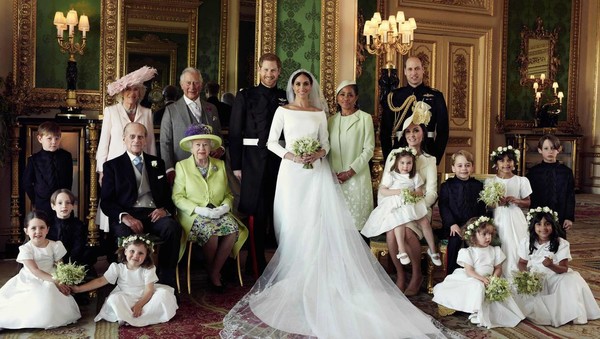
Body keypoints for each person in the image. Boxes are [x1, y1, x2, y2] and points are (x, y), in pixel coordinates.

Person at [221, 69, 447, 338]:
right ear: (292, 86)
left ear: (311, 86)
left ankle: (317, 277)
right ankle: (293, 276)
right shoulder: (283, 111)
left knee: (316, 222)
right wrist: (292, 156)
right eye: (298, 83)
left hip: (316, 172)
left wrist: (317, 153)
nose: (302, 87)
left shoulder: (319, 114)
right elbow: (271, 142)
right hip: (291, 174)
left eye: (306, 83)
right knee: (290, 222)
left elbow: (326, 144)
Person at [101, 122, 182, 288]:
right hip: (128, 215)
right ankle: (126, 282)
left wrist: (164, 210)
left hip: (153, 215)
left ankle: (165, 280)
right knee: (122, 232)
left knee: (172, 227)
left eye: (140, 136)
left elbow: (167, 196)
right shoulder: (112, 166)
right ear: (124, 139)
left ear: (145, 140)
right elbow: (107, 202)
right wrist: (124, 217)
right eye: (132, 136)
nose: (136, 140)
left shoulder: (157, 163)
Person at [228, 53, 288, 273]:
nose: (269, 74)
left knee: (280, 212)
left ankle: (281, 264)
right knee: (257, 212)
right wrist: (236, 165)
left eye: (273, 70)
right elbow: (235, 132)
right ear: (259, 70)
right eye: (266, 70)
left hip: (280, 161)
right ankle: (255, 264)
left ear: (279, 71)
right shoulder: (246, 95)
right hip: (253, 161)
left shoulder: (285, 96)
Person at [172, 124, 247, 292]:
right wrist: (199, 210)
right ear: (191, 148)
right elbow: (177, 197)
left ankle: (213, 271)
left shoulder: (218, 165)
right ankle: (213, 273)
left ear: (210, 146)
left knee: (233, 229)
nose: (201, 148)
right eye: (198, 145)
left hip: (218, 211)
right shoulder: (182, 166)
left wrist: (225, 207)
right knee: (211, 232)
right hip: (193, 214)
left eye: (205, 144)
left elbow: (228, 193)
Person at [382, 110, 438, 295]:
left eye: (416, 131)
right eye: (408, 131)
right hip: (397, 205)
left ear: (423, 133)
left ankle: (416, 275)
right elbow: (385, 187)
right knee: (392, 233)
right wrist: (394, 202)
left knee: (406, 231)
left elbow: (431, 192)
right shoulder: (394, 155)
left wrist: (416, 205)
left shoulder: (430, 161)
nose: (412, 135)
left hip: (419, 208)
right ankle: (400, 275)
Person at [432, 216, 525, 328]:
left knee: (507, 288)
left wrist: (494, 278)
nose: (488, 237)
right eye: (484, 234)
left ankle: (492, 311)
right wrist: (482, 279)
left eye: (490, 234)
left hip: (489, 278)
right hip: (473, 277)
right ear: (473, 236)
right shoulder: (469, 252)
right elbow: (469, 271)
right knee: (478, 286)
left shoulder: (494, 250)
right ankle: (476, 310)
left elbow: (498, 267)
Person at [97, 66, 158, 233]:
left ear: (140, 93)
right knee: (115, 204)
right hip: (115, 167)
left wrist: (153, 168)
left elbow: (151, 142)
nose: (132, 93)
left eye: (136, 89)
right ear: (122, 92)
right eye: (129, 89)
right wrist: (102, 170)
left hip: (140, 163)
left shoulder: (147, 113)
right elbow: (104, 143)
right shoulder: (111, 111)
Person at [515, 207, 600, 326]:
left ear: (553, 226)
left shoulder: (561, 243)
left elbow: (564, 268)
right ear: (533, 227)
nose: (543, 228)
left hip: (555, 275)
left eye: (547, 224)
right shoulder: (527, 242)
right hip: (535, 276)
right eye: (539, 224)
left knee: (571, 279)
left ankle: (569, 312)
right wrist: (526, 275)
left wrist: (551, 265)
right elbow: (522, 262)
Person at [71, 234, 178, 327]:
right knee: (114, 299)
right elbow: (100, 281)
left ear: (146, 256)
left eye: (141, 253)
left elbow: (149, 290)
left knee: (163, 294)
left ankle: (137, 316)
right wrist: (79, 289)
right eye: (132, 251)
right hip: (126, 296)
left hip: (146, 297)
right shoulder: (117, 267)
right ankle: (129, 316)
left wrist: (139, 304)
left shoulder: (148, 268)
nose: (136, 255)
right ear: (125, 251)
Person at [0, 211, 80, 330]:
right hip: (31, 278)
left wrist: (63, 280)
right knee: (35, 293)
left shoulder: (55, 246)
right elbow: (35, 270)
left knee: (50, 290)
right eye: (33, 228)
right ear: (26, 231)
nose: (38, 231)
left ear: (47, 229)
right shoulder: (26, 249)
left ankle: (50, 315)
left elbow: (60, 266)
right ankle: (30, 317)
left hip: (52, 276)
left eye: (42, 227)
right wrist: (56, 281)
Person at [362, 147, 441, 267]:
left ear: (413, 164)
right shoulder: (391, 175)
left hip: (410, 203)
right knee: (397, 221)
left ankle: (433, 250)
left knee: (424, 222)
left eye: (409, 163)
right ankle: (402, 250)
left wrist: (411, 194)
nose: (405, 166)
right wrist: (398, 192)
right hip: (395, 203)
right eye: (402, 163)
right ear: (397, 163)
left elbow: (419, 192)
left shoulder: (414, 176)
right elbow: (383, 190)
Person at [327, 80, 374, 241]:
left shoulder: (365, 118)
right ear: (337, 97)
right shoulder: (331, 121)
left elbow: (368, 150)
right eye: (342, 94)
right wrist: (331, 173)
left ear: (356, 98)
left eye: (350, 95)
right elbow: (326, 149)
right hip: (335, 178)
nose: (345, 98)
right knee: (337, 225)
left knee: (357, 226)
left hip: (357, 177)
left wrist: (351, 171)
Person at [160, 67, 223, 185]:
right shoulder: (171, 110)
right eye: (188, 83)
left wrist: (221, 148)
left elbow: (218, 135)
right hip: (182, 170)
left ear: (201, 85)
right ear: (181, 85)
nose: (192, 87)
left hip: (210, 170)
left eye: (196, 83)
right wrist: (169, 168)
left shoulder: (212, 108)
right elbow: (165, 142)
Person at [380, 56, 449, 164]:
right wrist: (389, 157)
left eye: (417, 68)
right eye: (410, 69)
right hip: (399, 151)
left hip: (427, 150)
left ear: (423, 70)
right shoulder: (394, 96)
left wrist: (435, 157)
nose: (414, 73)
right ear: (405, 72)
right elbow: (385, 131)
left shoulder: (436, 96)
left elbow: (443, 131)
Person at [485, 145, 531, 278]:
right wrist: (496, 202)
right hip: (499, 216)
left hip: (515, 216)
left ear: (514, 163)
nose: (506, 164)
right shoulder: (491, 181)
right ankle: (499, 272)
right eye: (502, 161)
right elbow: (488, 204)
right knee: (502, 241)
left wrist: (517, 201)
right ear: (496, 164)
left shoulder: (521, 180)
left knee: (516, 243)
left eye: (509, 160)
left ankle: (518, 272)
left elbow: (528, 202)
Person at [438, 150, 487, 274]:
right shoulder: (446, 186)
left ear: (472, 167)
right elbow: (443, 206)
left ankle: (473, 275)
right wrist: (451, 224)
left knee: (473, 241)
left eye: (467, 165)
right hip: (454, 226)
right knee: (455, 241)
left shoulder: (478, 186)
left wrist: (478, 224)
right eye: (460, 166)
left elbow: (482, 207)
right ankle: (452, 275)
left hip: (473, 225)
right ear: (453, 168)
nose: (464, 169)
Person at [526, 134, 575, 239]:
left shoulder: (566, 172)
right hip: (538, 217)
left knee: (559, 245)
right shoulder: (533, 172)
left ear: (559, 149)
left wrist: (569, 217)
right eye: (546, 148)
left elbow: (570, 196)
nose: (550, 151)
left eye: (553, 148)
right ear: (540, 150)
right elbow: (529, 196)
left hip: (560, 216)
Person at [23, 121, 73, 221]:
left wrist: (66, 199)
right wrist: (36, 199)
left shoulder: (66, 157)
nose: (54, 142)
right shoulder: (34, 160)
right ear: (40, 138)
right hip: (43, 204)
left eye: (57, 138)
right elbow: (27, 183)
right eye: (49, 138)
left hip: (63, 204)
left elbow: (69, 180)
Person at [49, 189, 96, 277]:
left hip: (75, 263)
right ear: (53, 206)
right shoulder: (48, 225)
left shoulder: (79, 225)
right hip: (53, 263)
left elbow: (79, 247)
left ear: (73, 206)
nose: (64, 206)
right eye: (60, 203)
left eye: (68, 203)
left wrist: (70, 267)